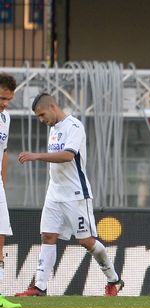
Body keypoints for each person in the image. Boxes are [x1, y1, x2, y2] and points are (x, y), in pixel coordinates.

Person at [15, 94, 124, 297]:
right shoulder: (54, 130)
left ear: (52, 106)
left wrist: (36, 155)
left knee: (86, 241)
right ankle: (39, 286)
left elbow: (68, 155)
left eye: (42, 114)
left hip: (76, 194)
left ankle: (114, 280)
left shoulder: (74, 126)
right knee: (47, 236)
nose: (41, 120)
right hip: (54, 193)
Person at [0, 73, 20, 308]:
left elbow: (4, 151)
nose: (5, 104)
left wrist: (3, 181)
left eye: (8, 100)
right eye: (2, 98)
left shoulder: (6, 118)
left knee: (0, 238)